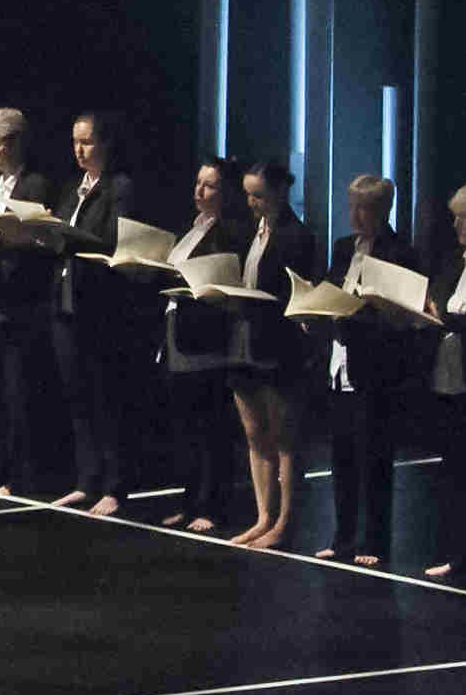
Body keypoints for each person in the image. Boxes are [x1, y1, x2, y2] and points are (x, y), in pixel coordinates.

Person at [308, 174, 423, 567]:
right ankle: (343, 538)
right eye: (352, 206)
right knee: (341, 455)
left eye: (364, 208)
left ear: (383, 210)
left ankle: (372, 540)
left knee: (374, 458)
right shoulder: (343, 248)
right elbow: (328, 287)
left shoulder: (400, 251)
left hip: (377, 366)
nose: (355, 215)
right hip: (339, 361)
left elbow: (405, 313)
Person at [48, 111, 140, 515]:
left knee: (106, 397)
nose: (78, 150)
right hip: (65, 300)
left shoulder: (119, 188)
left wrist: (69, 238)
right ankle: (87, 479)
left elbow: (114, 241)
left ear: (104, 144)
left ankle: (115, 485)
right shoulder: (72, 189)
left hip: (100, 304)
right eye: (74, 142)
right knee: (76, 395)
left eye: (86, 142)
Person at [227, 160, 320, 550]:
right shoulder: (253, 230)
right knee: (254, 434)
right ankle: (263, 516)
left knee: (284, 438)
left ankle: (284, 522)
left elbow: (301, 292)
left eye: (259, 195)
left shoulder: (297, 235)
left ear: (281, 192)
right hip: (245, 340)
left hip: (278, 344)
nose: (251, 203)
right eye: (248, 194)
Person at [155, 158, 249, 534]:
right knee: (186, 426)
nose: (199, 191)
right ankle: (191, 499)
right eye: (197, 183)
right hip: (177, 331)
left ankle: (214, 504)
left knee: (213, 428)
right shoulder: (191, 227)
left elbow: (222, 280)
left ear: (225, 192)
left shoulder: (230, 232)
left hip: (207, 335)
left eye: (209, 186)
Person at [0, 108, 54, 495]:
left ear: (15, 143)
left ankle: (22, 476)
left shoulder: (35, 185)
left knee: (19, 394)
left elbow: (34, 244)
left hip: (18, 300)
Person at [422, 185, 466, 579]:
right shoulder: (455, 259)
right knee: (453, 470)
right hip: (449, 375)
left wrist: (447, 318)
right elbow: (437, 292)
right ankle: (456, 554)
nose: (455, 224)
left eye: (462, 217)